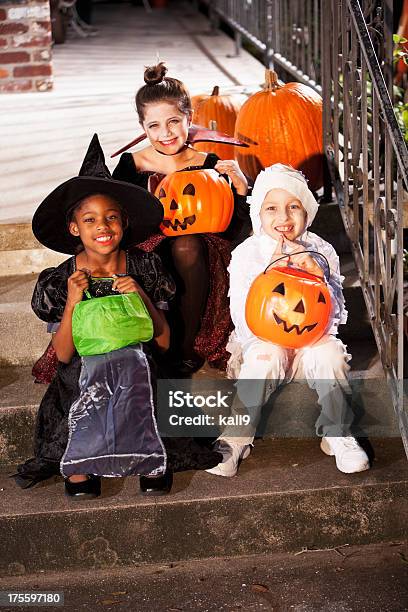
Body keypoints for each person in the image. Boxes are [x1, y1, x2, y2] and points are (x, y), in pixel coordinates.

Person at [14, 135, 221, 498]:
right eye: (90, 219)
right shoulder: (62, 280)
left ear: (123, 223)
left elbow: (163, 341)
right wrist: (74, 301)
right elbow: (63, 354)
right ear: (75, 228)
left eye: (111, 218)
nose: (103, 226)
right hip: (84, 369)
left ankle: (149, 455)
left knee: (135, 368)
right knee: (87, 376)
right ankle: (82, 458)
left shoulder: (144, 267)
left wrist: (140, 295)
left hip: (138, 365)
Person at [206, 164, 371, 477]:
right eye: (272, 208)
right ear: (259, 213)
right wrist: (270, 271)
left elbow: (333, 318)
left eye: (293, 207)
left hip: (309, 344)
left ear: (306, 212)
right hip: (263, 343)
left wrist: (318, 277)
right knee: (265, 357)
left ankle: (338, 433)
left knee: (330, 353)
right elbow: (243, 317)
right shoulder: (247, 253)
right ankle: (236, 439)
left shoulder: (322, 250)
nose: (283, 218)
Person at [112, 62, 250, 374]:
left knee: (187, 245)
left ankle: (187, 344)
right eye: (154, 126)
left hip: (201, 253)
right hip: (147, 250)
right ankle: (157, 342)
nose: (165, 133)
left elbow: (230, 227)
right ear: (143, 127)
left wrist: (240, 190)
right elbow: (116, 220)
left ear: (189, 118)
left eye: (173, 121)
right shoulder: (131, 165)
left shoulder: (209, 162)